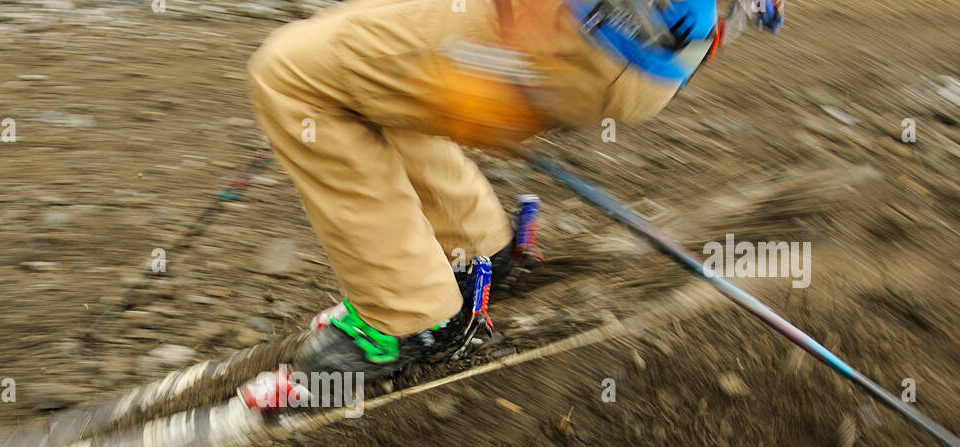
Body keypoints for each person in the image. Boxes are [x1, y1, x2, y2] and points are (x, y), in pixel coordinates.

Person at [246, 0, 784, 383]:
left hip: (569, 33)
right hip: (650, 55)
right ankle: (476, 248)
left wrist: (516, 45)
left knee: (292, 72)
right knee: (375, 58)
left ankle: (407, 316)